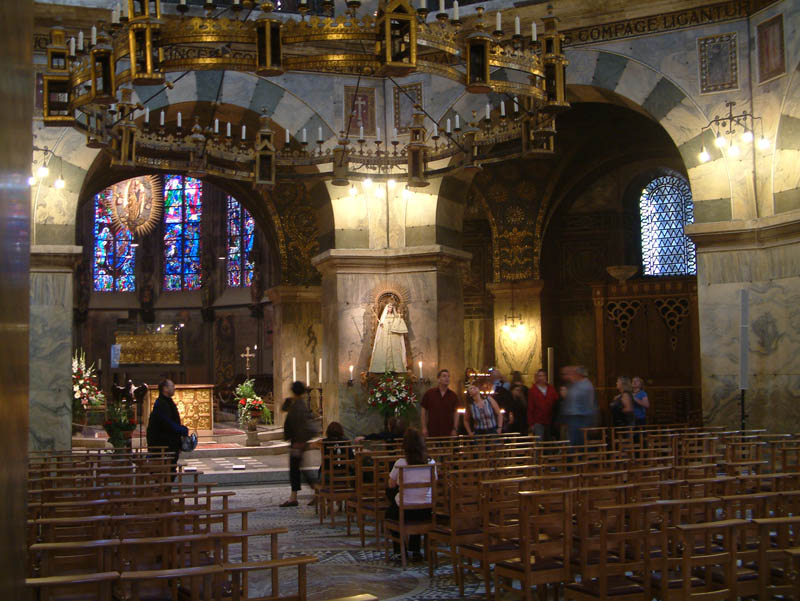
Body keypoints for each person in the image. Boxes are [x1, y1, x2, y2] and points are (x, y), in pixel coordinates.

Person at [386, 428, 436, 561]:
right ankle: (415, 550)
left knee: (391, 507)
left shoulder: (400, 463)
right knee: (416, 500)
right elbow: (434, 481)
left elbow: (391, 484)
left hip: (405, 511)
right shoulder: (431, 463)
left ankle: (398, 550)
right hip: (426, 509)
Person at [281, 381, 318, 507]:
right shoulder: (297, 403)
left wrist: (299, 442)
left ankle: (314, 491)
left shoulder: (299, 406)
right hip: (297, 441)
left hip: (298, 442)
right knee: (297, 469)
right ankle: (296, 495)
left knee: (297, 469)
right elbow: (284, 410)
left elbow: (299, 425)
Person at [146, 379, 188, 475]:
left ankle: (165, 489)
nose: (174, 388)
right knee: (163, 473)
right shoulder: (161, 404)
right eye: (172, 386)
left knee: (170, 472)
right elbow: (167, 423)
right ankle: (161, 489)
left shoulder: (167, 401)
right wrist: (182, 430)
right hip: (163, 445)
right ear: (165, 388)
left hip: (170, 444)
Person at [560, 366, 597, 447]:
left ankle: (579, 457)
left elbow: (582, 402)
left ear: (579, 374)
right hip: (574, 418)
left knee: (579, 442)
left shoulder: (586, 385)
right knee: (573, 442)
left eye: (574, 373)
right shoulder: (576, 384)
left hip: (580, 417)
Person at [420, 369, 459, 438]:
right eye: (444, 376)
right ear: (438, 379)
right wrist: (424, 427)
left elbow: (456, 413)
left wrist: (455, 429)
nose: (447, 378)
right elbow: (423, 411)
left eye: (448, 376)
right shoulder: (429, 393)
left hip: (448, 430)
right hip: (432, 429)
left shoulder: (453, 395)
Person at [527, 369, 558, 441]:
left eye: (542, 376)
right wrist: (531, 423)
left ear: (546, 377)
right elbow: (530, 407)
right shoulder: (533, 390)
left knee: (549, 442)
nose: (541, 378)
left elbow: (556, 402)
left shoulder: (551, 389)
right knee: (539, 441)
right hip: (538, 421)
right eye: (539, 376)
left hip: (550, 420)